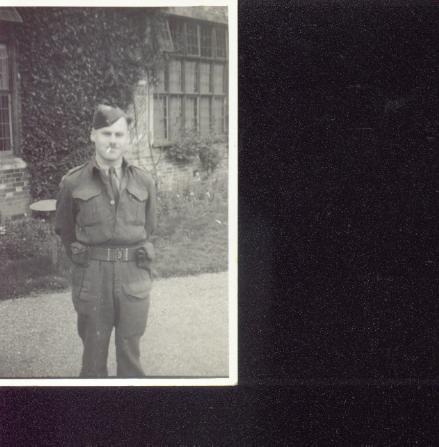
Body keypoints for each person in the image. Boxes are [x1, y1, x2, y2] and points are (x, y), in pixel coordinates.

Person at [55, 104, 157, 377]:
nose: (113, 141)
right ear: (93, 135)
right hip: (93, 277)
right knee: (93, 360)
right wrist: (85, 260)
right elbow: (64, 229)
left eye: (119, 134)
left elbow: (150, 227)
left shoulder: (144, 181)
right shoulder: (73, 182)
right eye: (106, 133)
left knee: (131, 358)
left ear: (127, 138)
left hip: (133, 276)